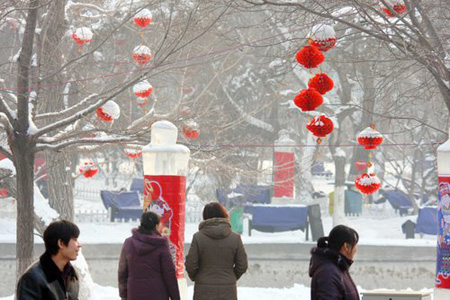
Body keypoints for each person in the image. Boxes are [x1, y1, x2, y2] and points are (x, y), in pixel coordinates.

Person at [186, 202, 248, 300]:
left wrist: (198, 277)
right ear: (224, 214)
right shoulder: (235, 238)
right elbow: (242, 265)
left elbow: (190, 264)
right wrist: (230, 276)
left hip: (203, 288)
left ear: (205, 216)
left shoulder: (198, 237)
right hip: (228, 288)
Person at [118, 211, 180, 300]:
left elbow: (122, 272)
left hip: (134, 293)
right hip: (158, 294)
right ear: (156, 226)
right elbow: (169, 274)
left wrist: (123, 295)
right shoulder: (161, 244)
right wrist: (176, 297)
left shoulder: (129, 243)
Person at [16, 220, 81, 300]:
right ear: (61, 243)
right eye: (75, 240)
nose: (79, 245)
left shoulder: (72, 275)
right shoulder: (32, 278)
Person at [309, 225, 360, 300]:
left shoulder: (338, 268)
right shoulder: (328, 272)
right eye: (355, 245)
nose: (356, 249)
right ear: (346, 246)